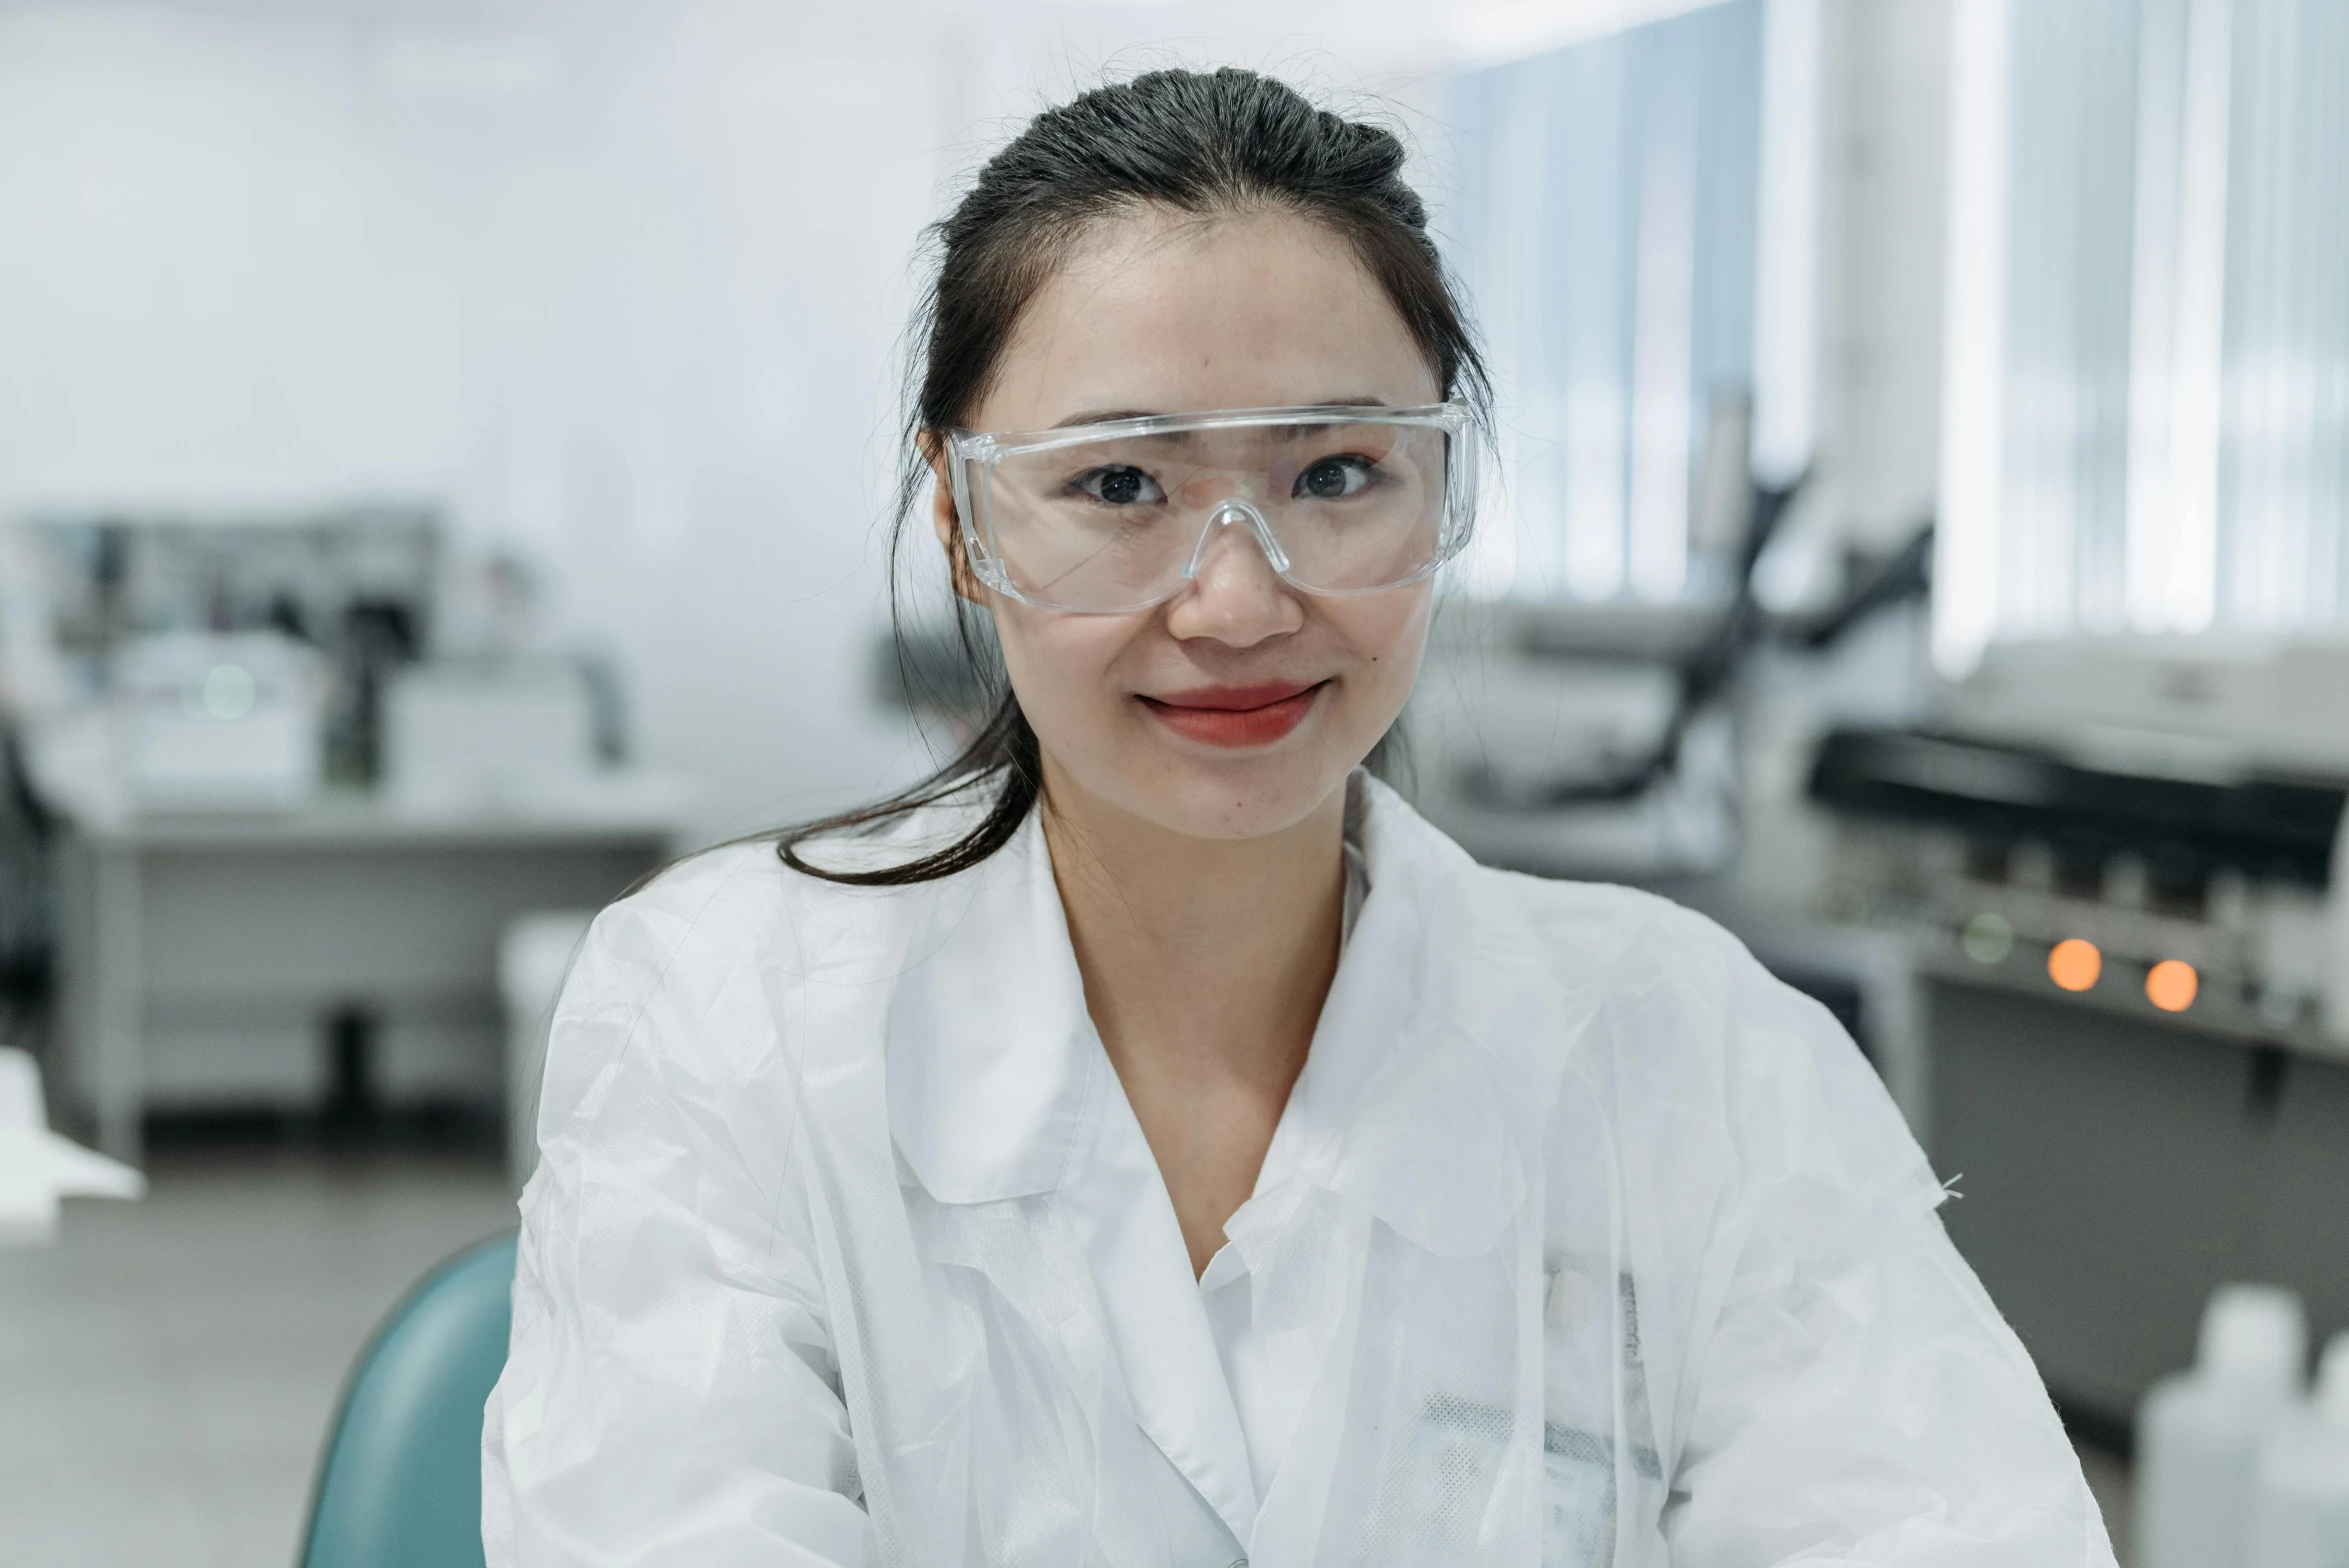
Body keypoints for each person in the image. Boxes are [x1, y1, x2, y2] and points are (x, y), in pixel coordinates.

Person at [483, 67, 2117, 1568]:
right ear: (966, 525)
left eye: (1336, 473)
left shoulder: (1694, 1062)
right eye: (1121, 485)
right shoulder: (727, 1021)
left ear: (1440, 489)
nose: (1239, 599)